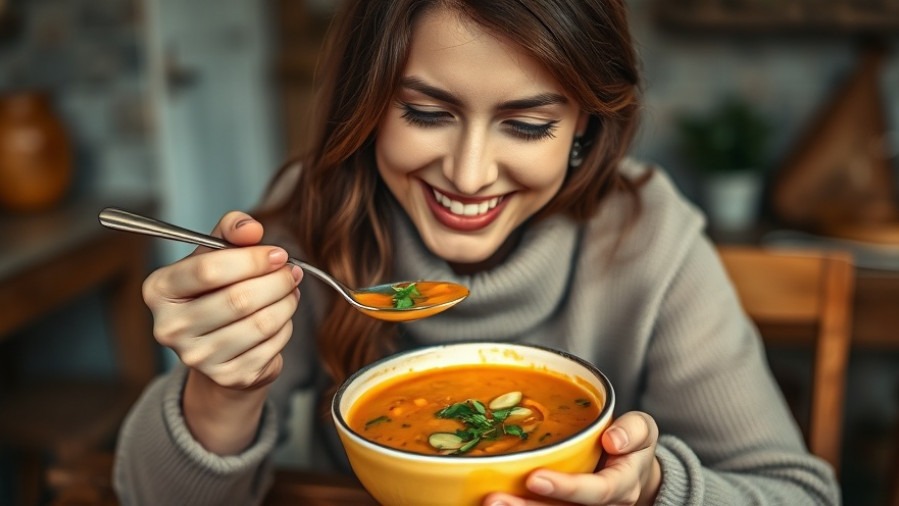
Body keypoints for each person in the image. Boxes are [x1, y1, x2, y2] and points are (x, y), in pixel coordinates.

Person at [113, 0, 841, 505]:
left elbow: (799, 495)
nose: (467, 175)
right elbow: (145, 498)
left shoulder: (648, 237)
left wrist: (651, 491)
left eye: (526, 125)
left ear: (583, 126)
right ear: (366, 105)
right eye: (426, 113)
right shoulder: (317, 224)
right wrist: (218, 392)